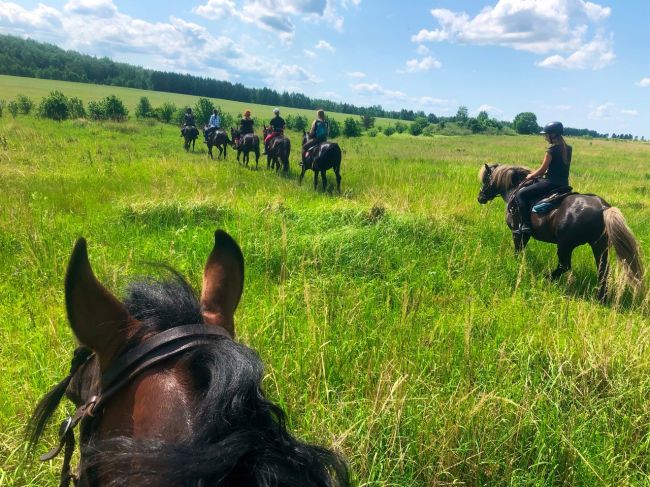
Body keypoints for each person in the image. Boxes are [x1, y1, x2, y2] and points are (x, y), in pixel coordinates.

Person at [515, 121, 572, 235]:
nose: (545, 137)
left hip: (550, 184)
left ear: (553, 135)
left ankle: (526, 225)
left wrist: (531, 175)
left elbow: (541, 170)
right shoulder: (568, 148)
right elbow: (558, 166)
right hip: (564, 184)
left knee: (521, 194)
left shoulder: (551, 151)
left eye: (546, 134)